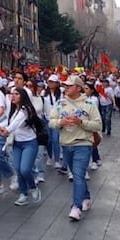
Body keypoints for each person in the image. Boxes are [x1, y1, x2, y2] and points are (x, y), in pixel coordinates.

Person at [48, 75, 102, 222]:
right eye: (64, 85)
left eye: (69, 86)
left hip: (83, 144)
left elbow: (97, 125)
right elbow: (51, 122)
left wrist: (81, 122)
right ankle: (86, 196)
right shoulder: (60, 103)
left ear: (78, 88)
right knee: (76, 173)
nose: (66, 88)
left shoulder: (89, 103)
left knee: (78, 175)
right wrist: (61, 121)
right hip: (66, 144)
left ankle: (76, 207)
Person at [0, 87, 42, 206]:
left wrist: (6, 130)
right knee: (18, 169)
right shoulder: (14, 110)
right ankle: (23, 194)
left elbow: (14, 124)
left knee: (25, 169)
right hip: (17, 143)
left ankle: (33, 188)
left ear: (23, 96)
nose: (13, 96)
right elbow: (9, 123)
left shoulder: (25, 110)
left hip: (30, 143)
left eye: (16, 94)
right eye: (12, 94)